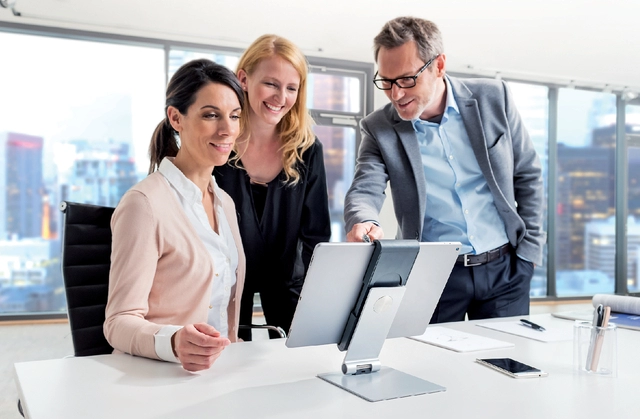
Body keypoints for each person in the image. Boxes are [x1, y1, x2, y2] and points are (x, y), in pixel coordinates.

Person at [344, 17, 545, 323]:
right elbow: (365, 188)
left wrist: (528, 255)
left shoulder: (493, 98)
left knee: (502, 367)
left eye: (407, 80)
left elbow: (528, 174)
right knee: (433, 367)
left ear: (438, 66)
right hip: (433, 276)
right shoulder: (379, 128)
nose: (395, 94)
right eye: (386, 81)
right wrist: (364, 220)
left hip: (505, 271)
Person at [104, 59, 246, 372]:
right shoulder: (144, 204)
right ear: (176, 118)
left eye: (234, 116)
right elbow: (118, 323)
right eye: (211, 115)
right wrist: (174, 341)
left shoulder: (225, 202)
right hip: (160, 377)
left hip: (221, 374)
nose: (227, 130)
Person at [214, 35, 331, 340]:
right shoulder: (218, 143)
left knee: (299, 363)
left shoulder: (306, 149)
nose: (281, 97)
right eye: (271, 84)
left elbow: (315, 232)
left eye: (291, 88)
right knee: (224, 364)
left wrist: (314, 294)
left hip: (286, 283)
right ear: (244, 79)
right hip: (222, 282)